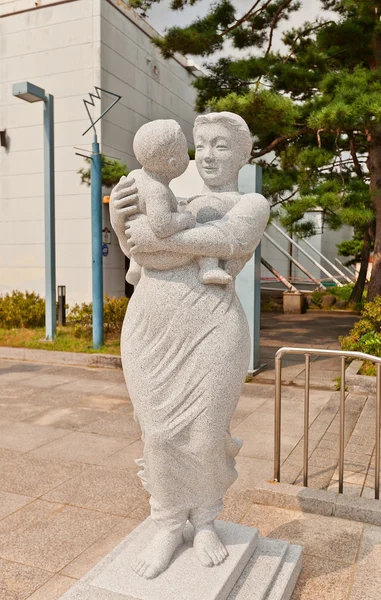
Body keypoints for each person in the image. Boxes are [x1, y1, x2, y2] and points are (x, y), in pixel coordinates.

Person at [110, 112, 270, 580]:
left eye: (223, 146)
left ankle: (204, 521)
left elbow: (232, 238)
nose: (210, 156)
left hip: (213, 327)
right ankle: (166, 522)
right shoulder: (164, 192)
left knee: (204, 434)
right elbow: (137, 249)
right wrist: (123, 229)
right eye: (203, 145)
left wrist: (156, 237)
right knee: (157, 433)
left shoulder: (250, 203)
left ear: (244, 153)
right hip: (151, 324)